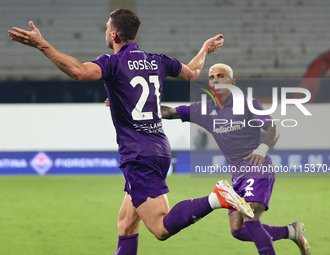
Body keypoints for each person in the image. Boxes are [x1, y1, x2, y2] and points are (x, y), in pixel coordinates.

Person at [8, 9, 255, 254]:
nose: (105, 31)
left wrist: (42, 45)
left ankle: (217, 197)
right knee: (126, 225)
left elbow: (79, 71)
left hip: (138, 155)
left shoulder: (112, 62)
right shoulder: (156, 60)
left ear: (114, 35)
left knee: (160, 228)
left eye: (107, 28)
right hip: (158, 149)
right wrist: (204, 50)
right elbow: (192, 72)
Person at [161, 63, 311, 255]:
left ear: (232, 82)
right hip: (238, 176)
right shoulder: (204, 109)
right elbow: (170, 112)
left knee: (251, 218)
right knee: (238, 230)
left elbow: (273, 128)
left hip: (259, 168)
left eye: (220, 76)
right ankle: (292, 231)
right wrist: (137, 108)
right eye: (211, 77)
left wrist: (263, 147)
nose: (215, 80)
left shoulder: (247, 103)